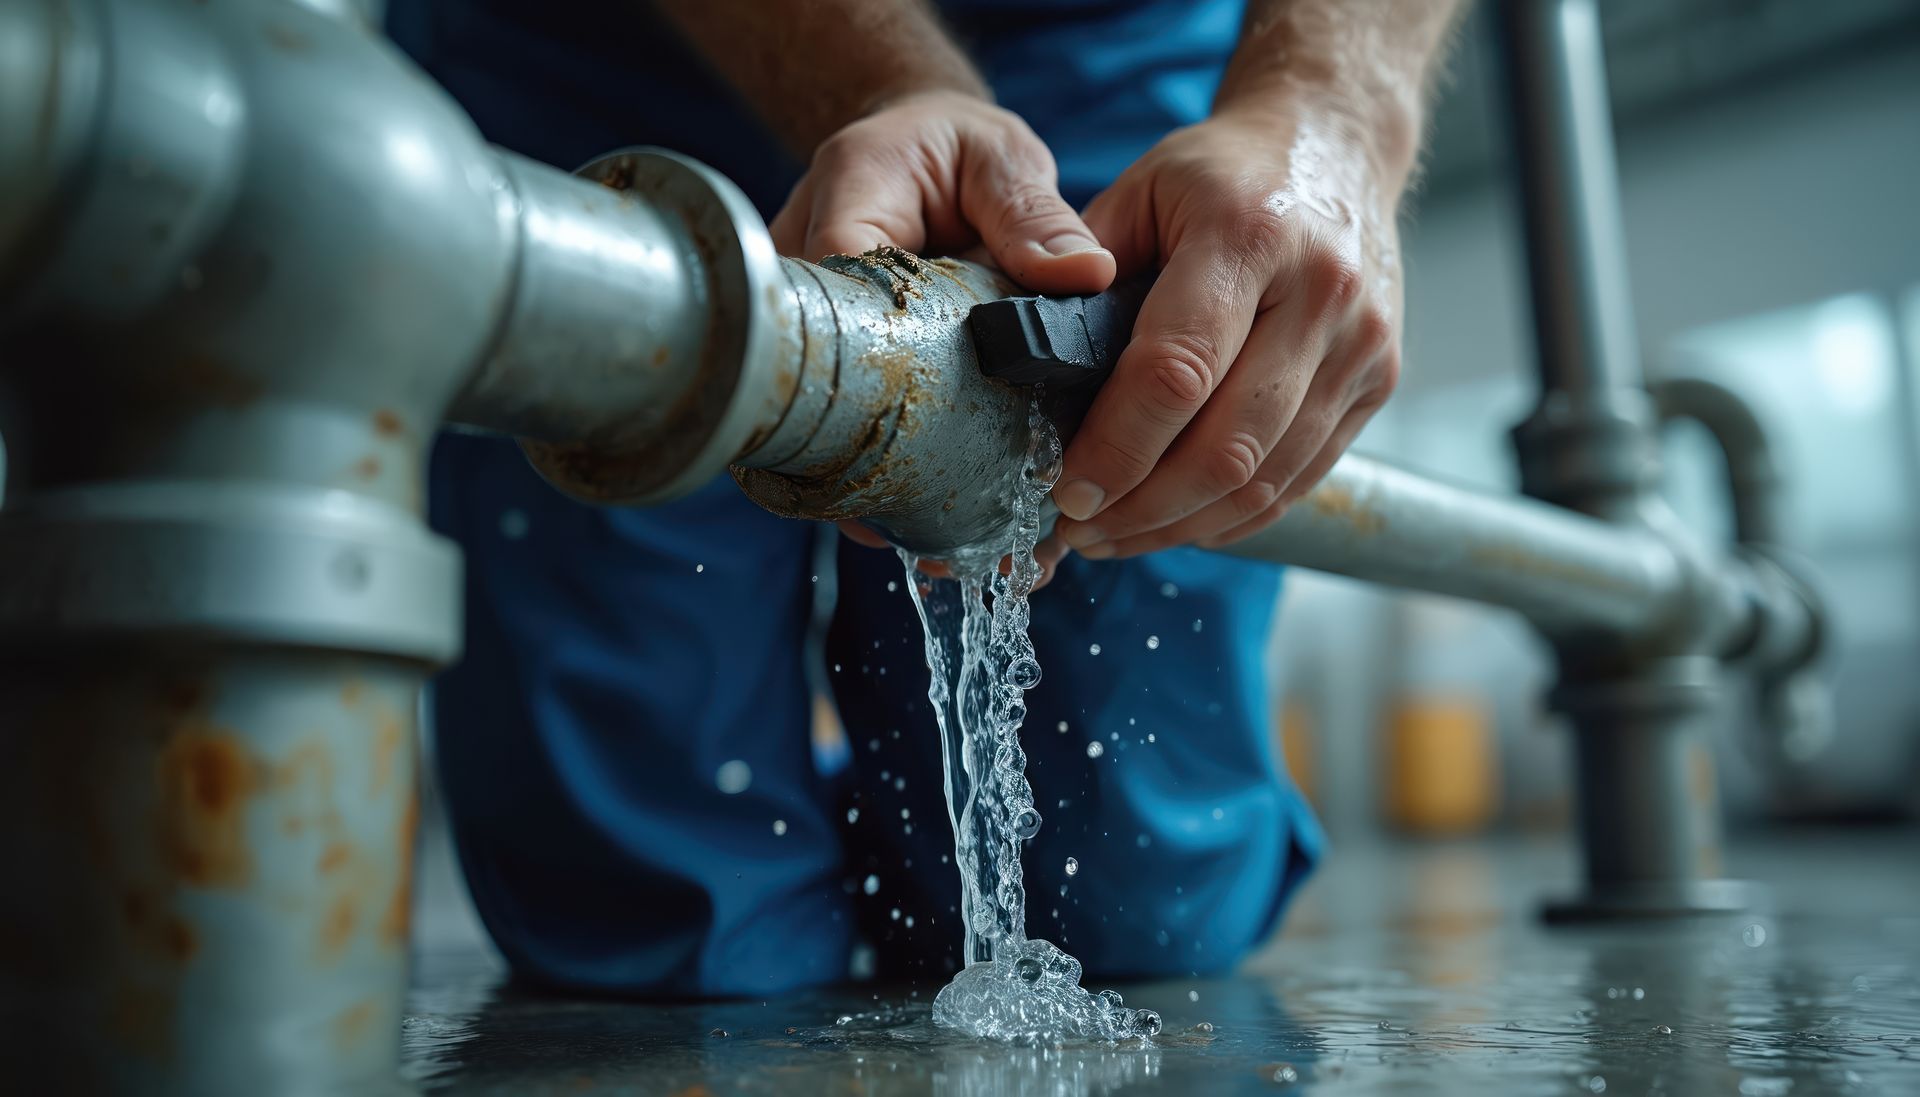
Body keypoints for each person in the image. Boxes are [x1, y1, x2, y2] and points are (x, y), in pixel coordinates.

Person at [388, 0, 1462, 996]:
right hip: (603, 55)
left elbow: (1333, 109)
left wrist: (1333, 114)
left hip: (1106, 45)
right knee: (656, 910)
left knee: (1129, 909)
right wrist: (871, 85)